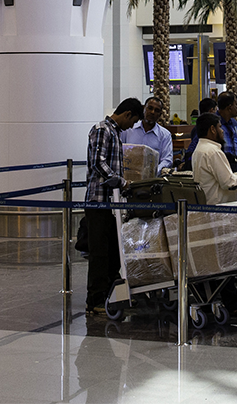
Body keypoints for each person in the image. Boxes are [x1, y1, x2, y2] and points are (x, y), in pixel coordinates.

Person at [83, 98, 143, 315]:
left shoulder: (115, 133)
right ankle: (95, 299)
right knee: (99, 253)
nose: (131, 126)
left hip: (112, 203)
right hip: (99, 202)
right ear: (127, 114)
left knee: (112, 253)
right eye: (132, 121)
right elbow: (97, 162)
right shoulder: (102, 130)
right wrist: (120, 181)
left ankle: (111, 295)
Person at [191, 113, 237, 205]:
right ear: (213, 129)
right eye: (219, 127)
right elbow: (228, 182)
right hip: (220, 206)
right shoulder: (213, 152)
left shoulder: (199, 149)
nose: (222, 131)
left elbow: (222, 177)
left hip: (207, 203)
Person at [121, 96, 174, 172]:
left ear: (160, 114)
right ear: (144, 108)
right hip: (128, 174)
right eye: (150, 108)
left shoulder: (165, 135)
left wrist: (154, 172)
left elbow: (167, 160)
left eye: (156, 110)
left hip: (154, 177)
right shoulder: (128, 129)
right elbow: (120, 151)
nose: (152, 112)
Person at [180, 97, 219, 169]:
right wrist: (186, 161)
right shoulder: (204, 128)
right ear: (211, 110)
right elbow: (193, 146)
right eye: (216, 110)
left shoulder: (196, 127)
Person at [215, 92, 237, 171]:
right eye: (236, 104)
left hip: (236, 169)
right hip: (221, 170)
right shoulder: (213, 123)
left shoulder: (234, 123)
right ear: (230, 108)